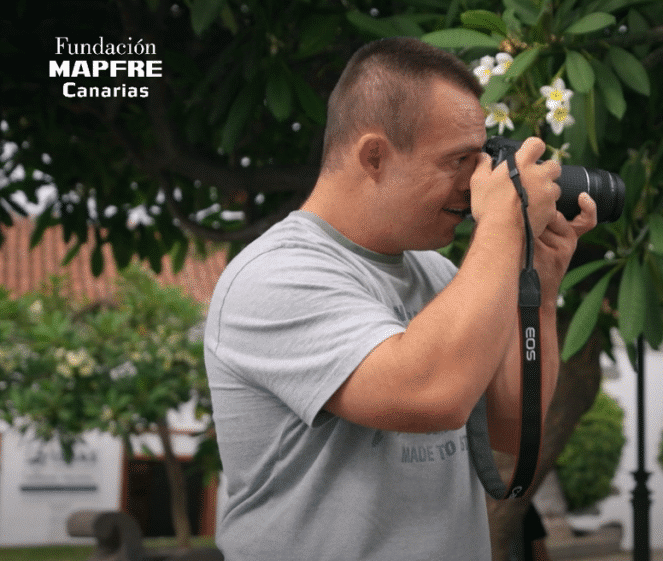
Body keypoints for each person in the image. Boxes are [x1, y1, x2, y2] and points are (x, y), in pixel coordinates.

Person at [203, 36, 597, 560]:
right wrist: (504, 226)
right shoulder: (273, 277)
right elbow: (431, 395)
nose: (477, 183)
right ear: (374, 156)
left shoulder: (441, 274)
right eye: (458, 160)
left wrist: (539, 293)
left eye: (481, 158)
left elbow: (511, 429)